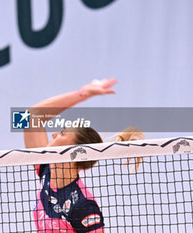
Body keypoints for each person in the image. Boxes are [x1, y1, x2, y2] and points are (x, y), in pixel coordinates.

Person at [24, 78, 144, 232]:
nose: (53, 134)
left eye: (62, 133)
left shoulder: (83, 206)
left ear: (74, 153)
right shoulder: (45, 170)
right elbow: (30, 116)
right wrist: (83, 93)